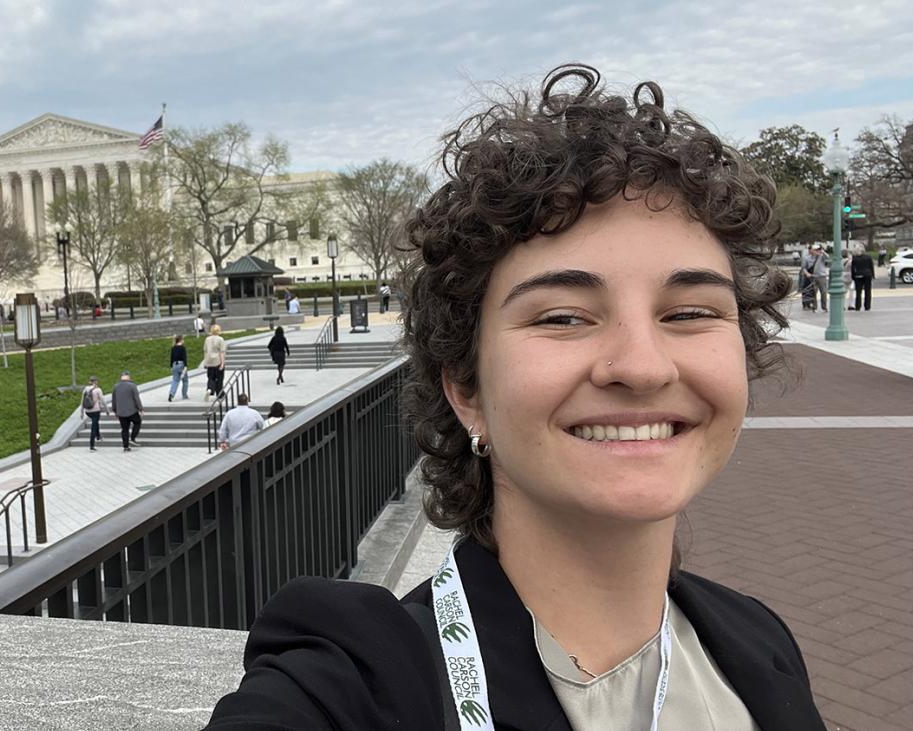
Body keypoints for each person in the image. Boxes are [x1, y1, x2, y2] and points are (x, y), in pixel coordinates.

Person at [206, 64, 822, 729]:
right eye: (563, 317)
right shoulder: (360, 682)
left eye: (690, 312)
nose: (643, 367)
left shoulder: (759, 641)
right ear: (465, 389)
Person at [112, 370, 144, 452]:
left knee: (124, 429)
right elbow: (136, 398)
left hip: (121, 412)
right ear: (129, 377)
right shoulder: (132, 386)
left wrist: (115, 410)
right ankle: (132, 438)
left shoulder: (116, 386)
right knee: (137, 422)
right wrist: (140, 408)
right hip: (132, 411)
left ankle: (125, 447)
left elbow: (114, 400)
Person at [81, 376, 108, 451]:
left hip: (87, 411)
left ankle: (98, 436)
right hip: (95, 410)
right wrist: (107, 410)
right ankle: (91, 446)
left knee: (95, 422)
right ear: (95, 382)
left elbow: (82, 401)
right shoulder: (98, 390)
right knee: (94, 426)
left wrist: (81, 412)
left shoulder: (85, 389)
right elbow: (103, 400)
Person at [202, 324, 227, 401]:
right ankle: (220, 394)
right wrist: (222, 363)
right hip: (217, 361)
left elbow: (205, 351)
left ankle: (210, 389)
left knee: (211, 377)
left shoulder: (207, 339)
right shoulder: (220, 339)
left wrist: (205, 362)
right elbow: (222, 352)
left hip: (209, 361)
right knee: (219, 378)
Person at [851, 244, 875, 311]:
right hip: (867, 274)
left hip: (858, 275)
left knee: (858, 292)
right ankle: (867, 306)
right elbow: (871, 266)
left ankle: (858, 306)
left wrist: (853, 276)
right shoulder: (868, 257)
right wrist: (873, 275)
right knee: (868, 291)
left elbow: (853, 269)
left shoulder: (855, 259)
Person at [168, 334, 190, 402]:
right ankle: (184, 395)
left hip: (174, 365)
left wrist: (171, 366)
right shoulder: (182, 348)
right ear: (181, 340)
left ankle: (171, 394)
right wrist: (185, 366)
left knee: (175, 380)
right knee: (185, 381)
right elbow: (184, 358)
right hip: (181, 364)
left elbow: (171, 358)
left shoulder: (173, 348)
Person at [810, 244, 829, 311]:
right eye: (815, 250)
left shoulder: (821, 256)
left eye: (817, 250)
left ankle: (824, 307)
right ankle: (814, 307)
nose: (816, 251)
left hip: (822, 276)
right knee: (814, 292)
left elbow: (827, 257)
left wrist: (822, 252)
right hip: (814, 276)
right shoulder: (810, 258)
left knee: (823, 292)